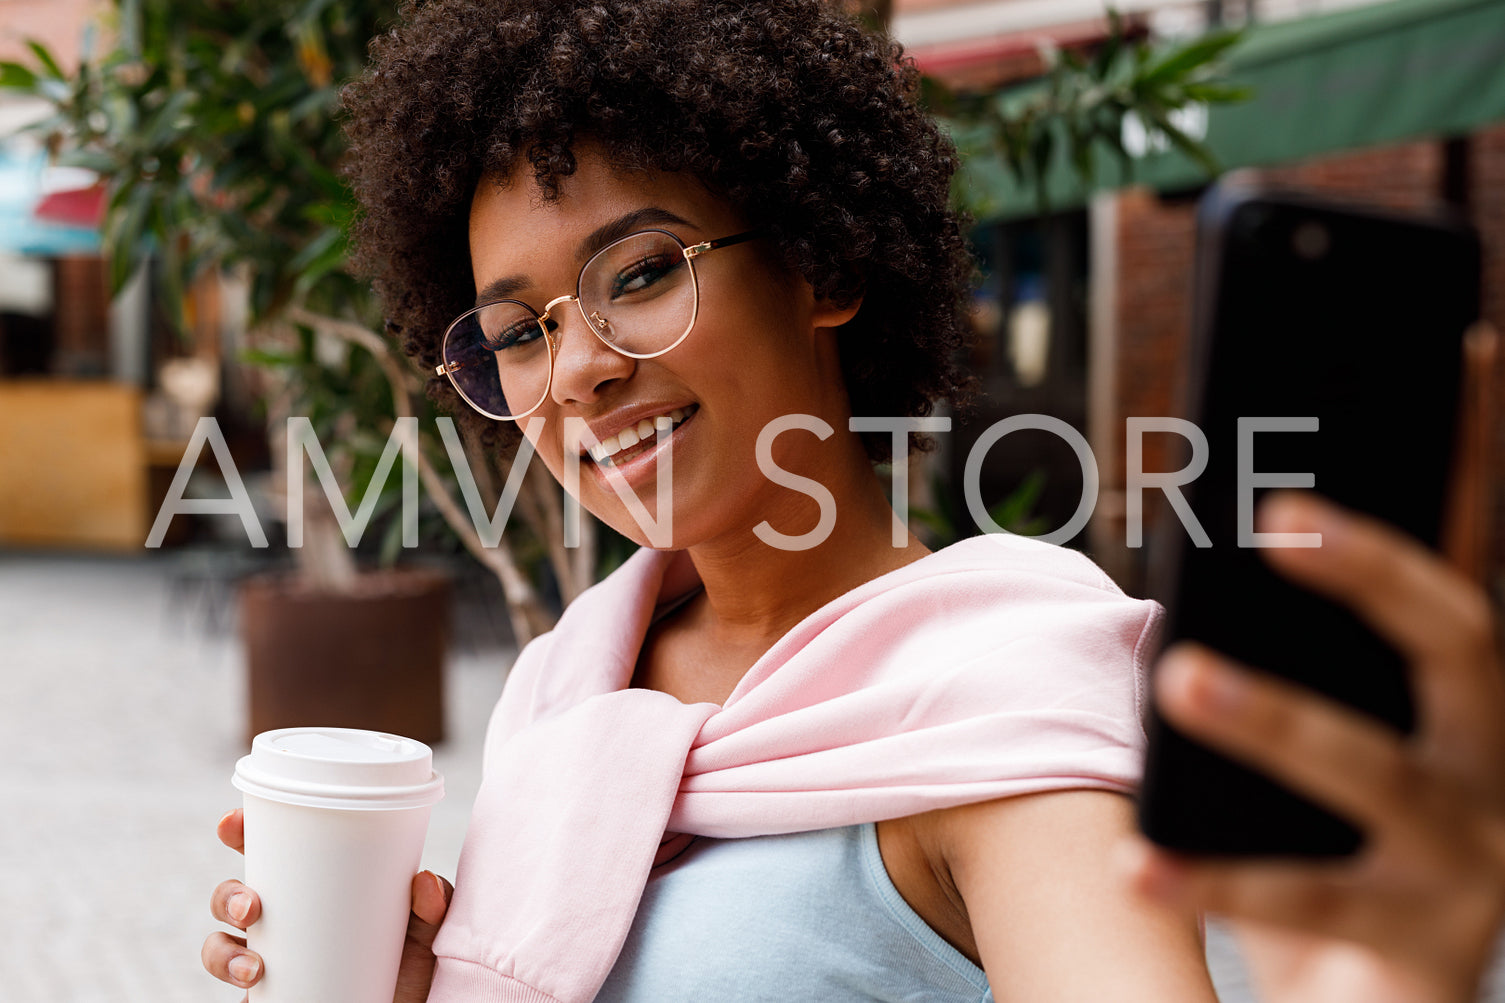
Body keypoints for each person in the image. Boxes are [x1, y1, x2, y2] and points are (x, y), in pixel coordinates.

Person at [200, 1, 1505, 1000]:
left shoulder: (993, 689)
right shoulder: (569, 681)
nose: (582, 368)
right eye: (518, 333)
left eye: (642, 272)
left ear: (819, 265)